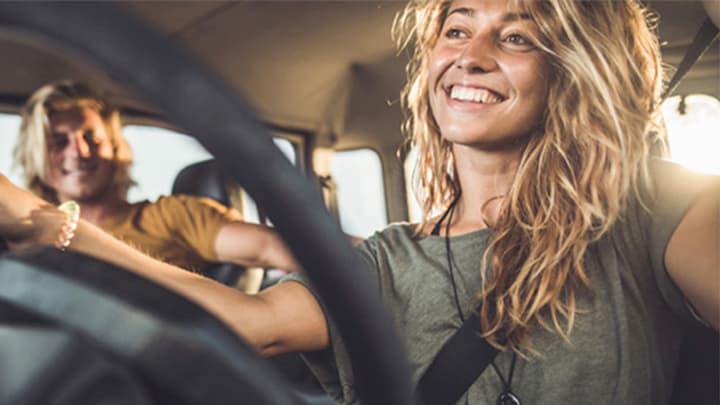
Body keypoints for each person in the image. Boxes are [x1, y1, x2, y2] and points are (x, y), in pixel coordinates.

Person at [2, 1, 718, 404]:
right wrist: (39, 223)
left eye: (518, 36)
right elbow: (253, 323)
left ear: (575, 72)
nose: (470, 53)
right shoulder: (386, 258)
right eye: (457, 27)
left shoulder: (650, 206)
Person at [12, 80, 301, 290]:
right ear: (36, 157)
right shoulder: (24, 236)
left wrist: (343, 257)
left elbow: (270, 247)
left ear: (114, 149)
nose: (80, 152)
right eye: (59, 142)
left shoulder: (172, 215)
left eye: (92, 138)